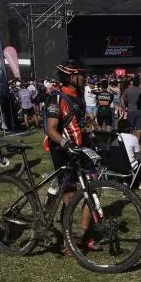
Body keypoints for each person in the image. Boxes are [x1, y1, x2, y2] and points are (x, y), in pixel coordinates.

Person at [43, 61, 96, 255]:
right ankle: (67, 242)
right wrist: (67, 143)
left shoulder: (79, 96)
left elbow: (75, 122)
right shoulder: (56, 98)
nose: (85, 78)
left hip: (81, 149)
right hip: (63, 151)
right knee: (70, 198)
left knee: (94, 189)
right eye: (82, 75)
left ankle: (82, 234)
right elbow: (51, 130)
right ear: (72, 77)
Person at [116, 118, 141, 190]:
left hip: (115, 166)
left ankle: (125, 180)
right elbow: (137, 155)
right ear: (129, 128)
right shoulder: (133, 138)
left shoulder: (114, 137)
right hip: (128, 167)